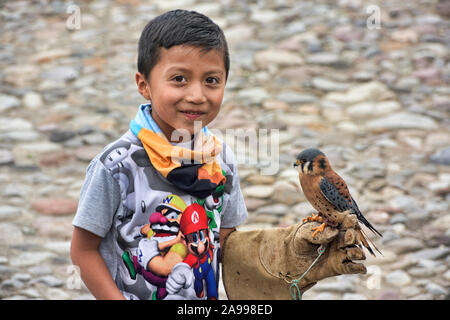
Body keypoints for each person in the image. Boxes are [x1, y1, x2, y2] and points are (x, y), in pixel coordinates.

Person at [70, 9, 367, 300]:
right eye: (179, 79)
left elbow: (224, 244)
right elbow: (83, 250)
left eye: (211, 80)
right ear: (143, 85)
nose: (197, 95)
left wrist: (287, 251)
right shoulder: (117, 165)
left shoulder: (220, 160)